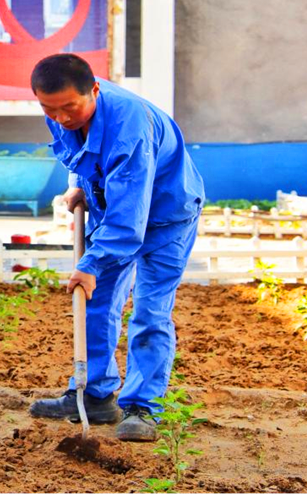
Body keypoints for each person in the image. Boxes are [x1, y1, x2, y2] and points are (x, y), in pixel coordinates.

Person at [28, 54, 205, 442]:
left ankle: (142, 406)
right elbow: (78, 149)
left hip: (166, 217)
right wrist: (78, 181)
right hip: (114, 210)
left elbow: (131, 217)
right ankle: (95, 395)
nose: (59, 118)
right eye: (48, 109)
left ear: (94, 90)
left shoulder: (130, 128)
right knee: (96, 300)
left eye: (68, 108)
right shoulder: (62, 108)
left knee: (149, 309)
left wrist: (92, 262)